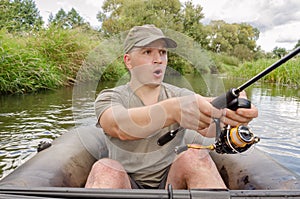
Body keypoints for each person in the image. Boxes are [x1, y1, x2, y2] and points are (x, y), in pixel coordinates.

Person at [85, 24, 258, 189]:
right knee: (105, 168)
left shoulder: (181, 95)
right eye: (147, 52)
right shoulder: (109, 97)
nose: (158, 59)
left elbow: (209, 128)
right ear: (128, 61)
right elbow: (118, 125)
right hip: (126, 183)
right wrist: (171, 111)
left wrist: (233, 112)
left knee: (194, 156)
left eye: (162, 52)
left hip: (171, 182)